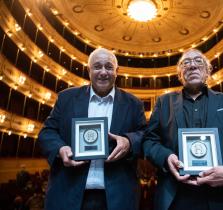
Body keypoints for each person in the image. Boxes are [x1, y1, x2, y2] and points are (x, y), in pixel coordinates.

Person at [143, 49, 223, 210]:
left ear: (207, 71)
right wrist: (166, 157)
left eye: (198, 61)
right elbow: (149, 140)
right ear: (180, 74)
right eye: (186, 63)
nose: (192, 66)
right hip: (176, 198)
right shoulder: (164, 102)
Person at [38, 48, 146, 210]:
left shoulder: (134, 103)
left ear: (117, 71)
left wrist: (129, 141)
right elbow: (47, 132)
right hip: (68, 193)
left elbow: (146, 135)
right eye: (97, 66)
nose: (103, 72)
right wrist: (60, 148)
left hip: (117, 197)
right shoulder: (66, 98)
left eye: (109, 67)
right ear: (89, 70)